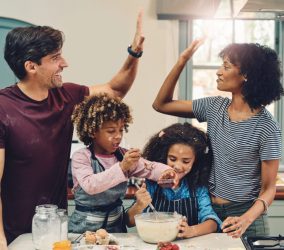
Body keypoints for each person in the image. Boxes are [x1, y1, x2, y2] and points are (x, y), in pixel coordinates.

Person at [0, 12, 145, 246]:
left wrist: (135, 52)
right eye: (55, 57)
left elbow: (115, 91)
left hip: (56, 227)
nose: (64, 63)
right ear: (31, 66)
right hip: (13, 232)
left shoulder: (66, 95)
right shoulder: (3, 107)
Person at [152, 40, 284, 238]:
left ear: (246, 75)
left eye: (226, 66)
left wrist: (246, 219)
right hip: (207, 213)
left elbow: (269, 189)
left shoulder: (266, 126)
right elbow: (161, 104)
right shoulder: (214, 107)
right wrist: (181, 61)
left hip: (245, 218)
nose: (218, 72)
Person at [68, 93, 177, 233]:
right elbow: (90, 185)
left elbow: (150, 168)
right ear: (93, 131)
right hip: (83, 230)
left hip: (116, 229)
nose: (118, 136)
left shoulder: (123, 155)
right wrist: (121, 167)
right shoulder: (81, 157)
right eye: (111, 131)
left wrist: (166, 172)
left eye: (121, 130)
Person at [127, 123, 222, 239]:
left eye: (186, 161)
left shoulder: (197, 187)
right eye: (172, 159)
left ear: (196, 162)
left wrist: (191, 231)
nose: (177, 166)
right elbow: (129, 221)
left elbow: (213, 223)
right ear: (163, 156)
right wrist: (139, 205)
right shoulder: (151, 183)